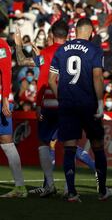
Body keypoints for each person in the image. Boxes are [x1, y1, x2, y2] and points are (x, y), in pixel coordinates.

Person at [14, 21, 98, 197]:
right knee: (70, 144)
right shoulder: (72, 51)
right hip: (69, 102)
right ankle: (75, 182)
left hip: (49, 104)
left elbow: (21, 61)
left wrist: (18, 43)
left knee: (44, 143)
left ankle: (50, 185)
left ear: (51, 34)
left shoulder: (45, 54)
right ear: (68, 35)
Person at [48, 18, 112, 202]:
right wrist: (100, 102)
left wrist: (61, 97)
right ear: (91, 32)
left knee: (69, 147)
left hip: (67, 105)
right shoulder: (94, 49)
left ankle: (71, 192)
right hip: (88, 104)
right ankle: (102, 191)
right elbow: (98, 77)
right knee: (97, 145)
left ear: (75, 31)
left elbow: (51, 79)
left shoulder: (61, 50)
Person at [0, 37, 27, 198]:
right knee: (6, 142)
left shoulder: (1, 45)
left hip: (1, 101)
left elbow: (6, 71)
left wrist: (4, 99)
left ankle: (20, 187)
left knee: (7, 142)